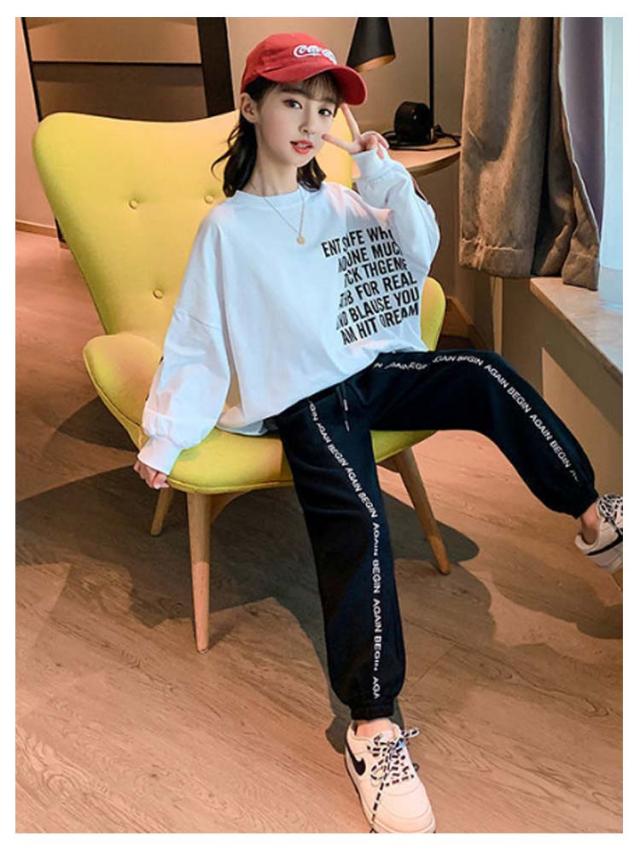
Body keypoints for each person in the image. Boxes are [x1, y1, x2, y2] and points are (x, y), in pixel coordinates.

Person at [133, 31, 623, 834]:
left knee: (483, 373)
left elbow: (415, 250)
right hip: (306, 401)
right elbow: (198, 339)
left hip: (372, 368)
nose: (310, 122)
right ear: (250, 107)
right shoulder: (227, 230)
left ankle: (595, 516)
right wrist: (165, 435)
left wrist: (383, 172)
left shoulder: (340, 200)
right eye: (293, 102)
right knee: (359, 520)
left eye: (324, 108)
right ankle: (372, 725)